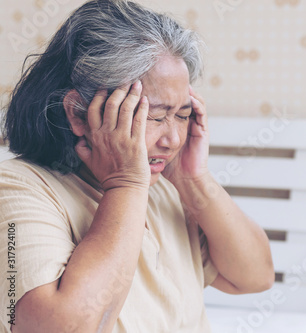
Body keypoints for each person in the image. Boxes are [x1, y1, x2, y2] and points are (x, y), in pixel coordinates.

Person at [0, 0, 274, 332]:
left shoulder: (166, 188)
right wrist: (125, 184)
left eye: (183, 115)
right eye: (155, 117)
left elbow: (255, 277)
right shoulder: (16, 189)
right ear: (77, 113)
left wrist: (194, 179)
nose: (172, 139)